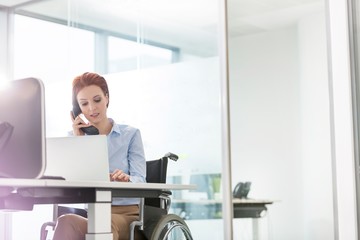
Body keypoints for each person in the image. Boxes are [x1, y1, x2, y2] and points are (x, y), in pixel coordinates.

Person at [52, 72, 146, 240]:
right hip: (93, 214)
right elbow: (69, 179)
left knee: (103, 226)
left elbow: (141, 179)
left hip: (127, 216)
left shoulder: (130, 135)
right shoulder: (74, 137)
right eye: (84, 104)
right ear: (77, 108)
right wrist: (79, 139)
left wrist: (127, 179)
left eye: (97, 100)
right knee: (65, 221)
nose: (91, 108)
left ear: (107, 98)